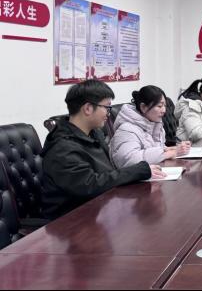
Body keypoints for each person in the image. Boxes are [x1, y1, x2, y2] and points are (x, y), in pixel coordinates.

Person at [41, 80, 165, 220]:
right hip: (69, 221)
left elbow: (107, 173)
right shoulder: (63, 148)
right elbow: (90, 185)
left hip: (100, 209)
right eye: (107, 107)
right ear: (88, 108)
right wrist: (139, 170)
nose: (108, 113)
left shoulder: (94, 134)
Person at [111, 86, 192, 168]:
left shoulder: (155, 124)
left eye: (165, 106)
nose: (164, 110)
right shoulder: (127, 130)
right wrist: (168, 153)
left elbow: (155, 149)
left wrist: (175, 149)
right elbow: (128, 159)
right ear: (143, 107)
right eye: (159, 106)